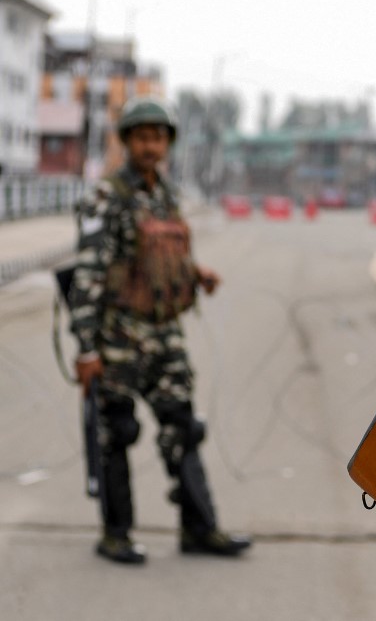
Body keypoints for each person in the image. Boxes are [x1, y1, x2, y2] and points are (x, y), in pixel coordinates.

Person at [69, 97, 251, 564]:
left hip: (165, 335)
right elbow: (88, 274)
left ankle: (199, 528)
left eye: (158, 137)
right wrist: (87, 349)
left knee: (183, 428)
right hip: (118, 338)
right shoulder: (104, 196)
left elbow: (163, 258)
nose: (151, 145)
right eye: (142, 137)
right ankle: (116, 535)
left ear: (167, 143)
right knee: (117, 432)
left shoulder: (165, 195)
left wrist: (195, 274)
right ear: (127, 141)